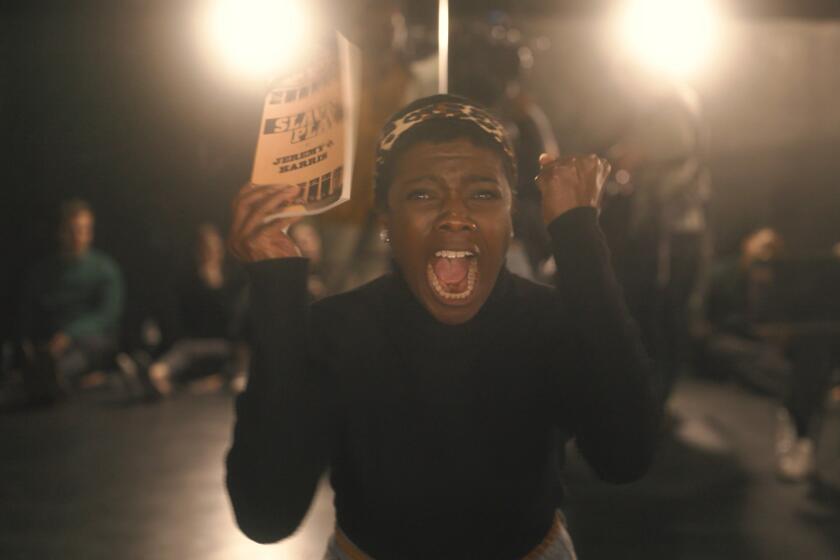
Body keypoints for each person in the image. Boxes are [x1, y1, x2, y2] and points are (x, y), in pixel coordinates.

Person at [225, 95, 662, 559]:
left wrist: (578, 235)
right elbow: (266, 514)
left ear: (511, 219)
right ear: (386, 223)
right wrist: (274, 290)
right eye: (422, 194)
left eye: (483, 193)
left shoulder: (548, 321)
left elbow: (625, 455)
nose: (456, 214)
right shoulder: (337, 331)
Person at [20, 199, 123, 404]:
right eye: (73, 230)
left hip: (92, 340)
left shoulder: (105, 269)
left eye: (85, 229)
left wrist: (69, 334)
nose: (79, 236)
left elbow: (107, 315)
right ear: (61, 232)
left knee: (89, 347)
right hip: (52, 342)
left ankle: (55, 375)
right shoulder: (44, 272)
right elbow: (30, 313)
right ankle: (40, 374)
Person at [145, 223, 248, 396]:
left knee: (193, 351)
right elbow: (181, 317)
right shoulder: (188, 281)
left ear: (221, 249)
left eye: (214, 247)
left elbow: (238, 318)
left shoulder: (233, 280)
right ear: (197, 251)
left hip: (228, 344)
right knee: (185, 350)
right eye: (205, 248)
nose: (210, 252)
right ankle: (156, 375)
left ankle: (158, 374)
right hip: (196, 343)